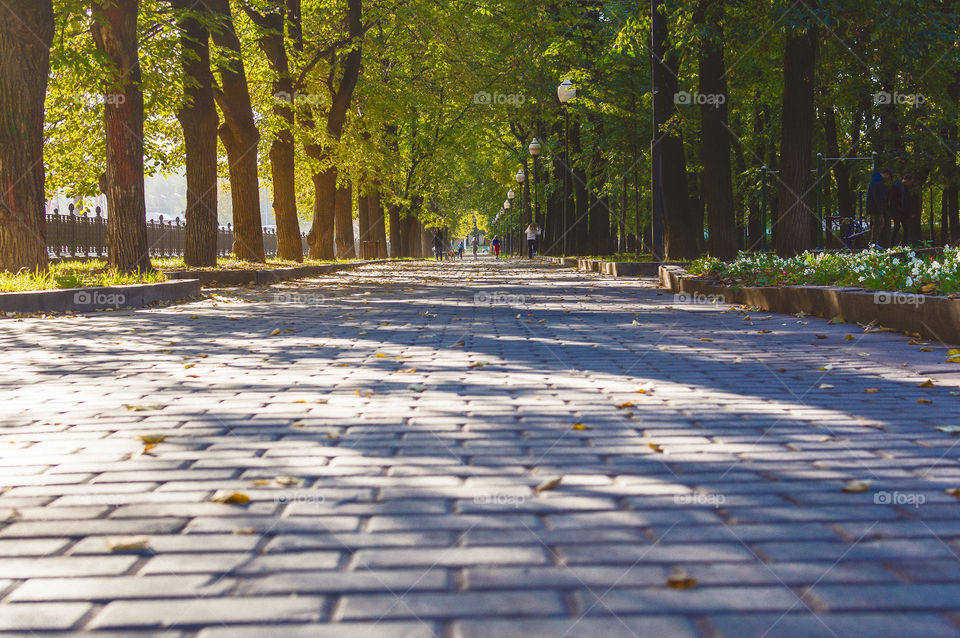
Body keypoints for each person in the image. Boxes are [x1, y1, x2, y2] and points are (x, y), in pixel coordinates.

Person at [866, 168, 891, 247]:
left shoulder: (876, 180)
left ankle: (873, 242)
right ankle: (873, 242)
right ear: (886, 174)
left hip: (874, 207)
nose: (887, 178)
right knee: (878, 223)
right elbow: (877, 196)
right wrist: (880, 208)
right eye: (888, 176)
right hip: (875, 207)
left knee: (879, 223)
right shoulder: (877, 181)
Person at [888, 173, 915, 246]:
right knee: (897, 227)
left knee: (906, 227)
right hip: (896, 210)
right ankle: (892, 244)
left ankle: (905, 244)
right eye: (910, 182)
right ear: (907, 180)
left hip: (903, 211)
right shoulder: (896, 186)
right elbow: (892, 200)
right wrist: (893, 211)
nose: (910, 184)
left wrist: (910, 212)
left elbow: (907, 200)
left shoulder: (905, 188)